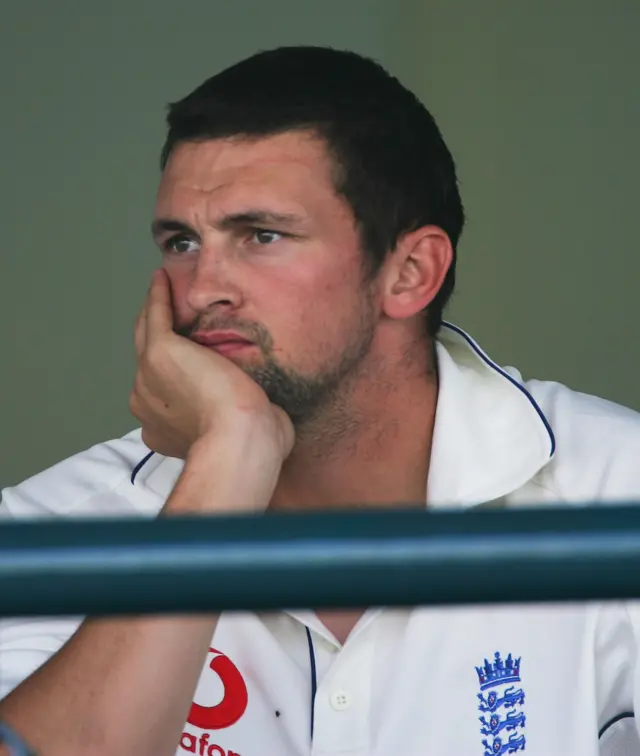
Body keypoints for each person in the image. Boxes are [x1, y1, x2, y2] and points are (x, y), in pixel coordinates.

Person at [1, 44, 640, 756]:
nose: (204, 286)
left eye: (261, 235)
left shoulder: (619, 488)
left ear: (409, 273)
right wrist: (229, 461)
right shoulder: (44, 529)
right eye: (182, 242)